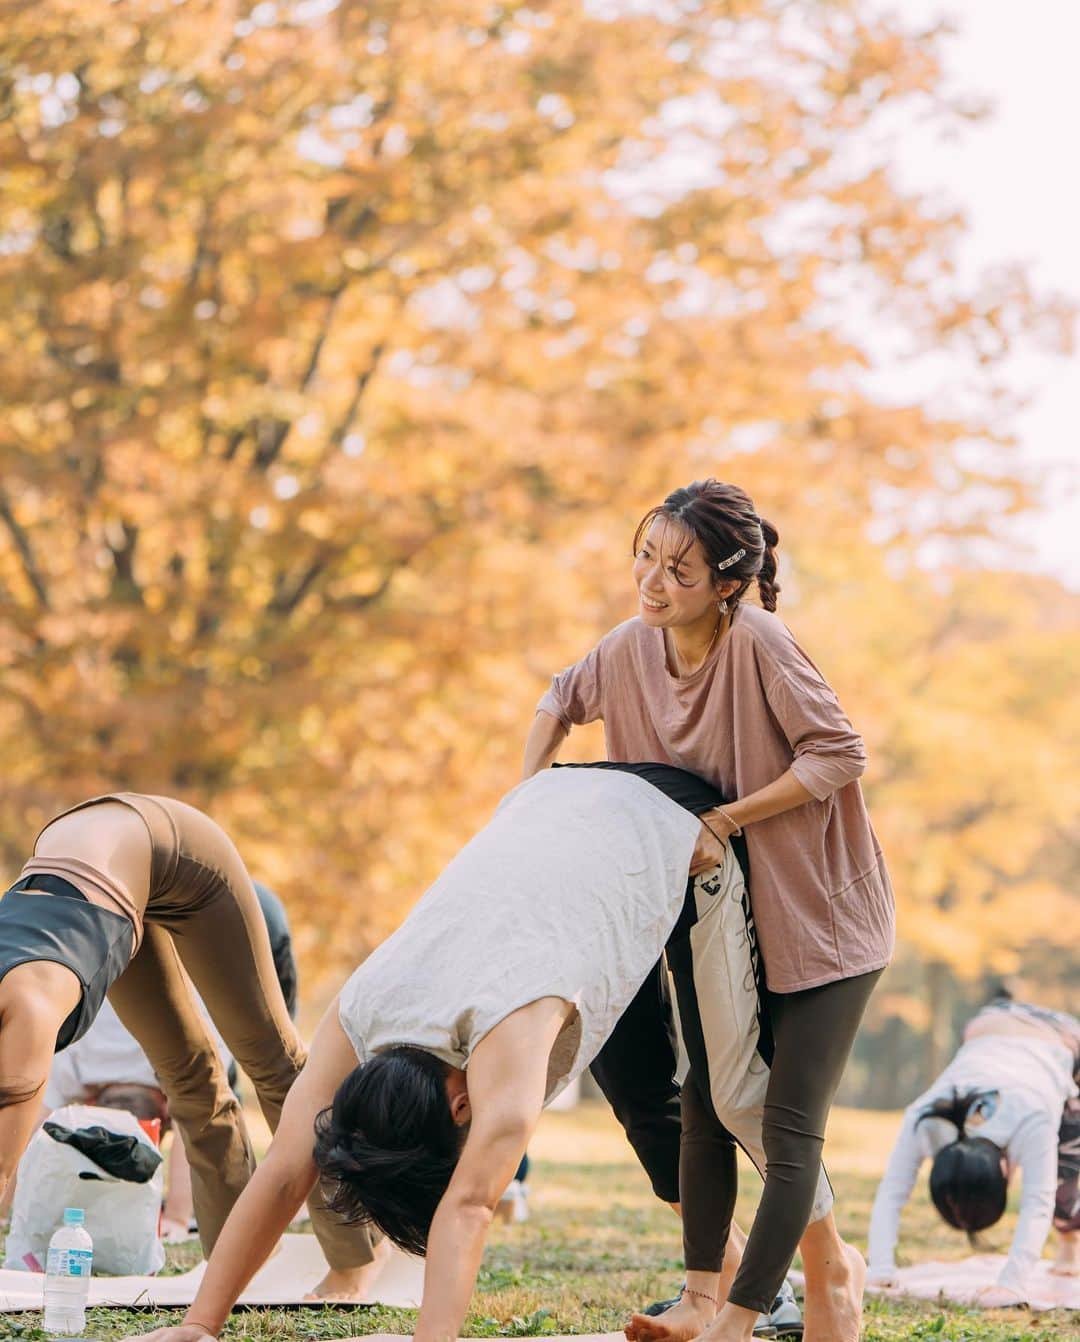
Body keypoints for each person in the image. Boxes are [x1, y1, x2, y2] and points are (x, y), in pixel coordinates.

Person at [123, 762, 832, 1342]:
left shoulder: (507, 1037)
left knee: (732, 1097)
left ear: (458, 1102)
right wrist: (198, 1326)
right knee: (647, 1107)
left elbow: (467, 1207)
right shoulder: (364, 1009)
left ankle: (828, 1276)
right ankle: (730, 1285)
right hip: (561, 812)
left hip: (676, 823)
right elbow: (283, 1171)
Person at [525, 480, 895, 1342]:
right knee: (703, 1099)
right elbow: (556, 703)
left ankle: (755, 1311)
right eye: (646, 556)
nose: (653, 583)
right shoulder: (628, 648)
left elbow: (839, 751)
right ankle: (701, 1298)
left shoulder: (759, 642)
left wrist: (725, 819)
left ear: (727, 584)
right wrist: (528, 799)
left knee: (780, 1121)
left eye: (680, 570)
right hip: (718, 918)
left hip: (820, 918)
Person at [0, 792, 382, 1298]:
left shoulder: (27, 1009)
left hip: (180, 851)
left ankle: (358, 1259)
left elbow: (4, 1167)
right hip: (105, 880)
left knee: (275, 1064)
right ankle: (242, 1257)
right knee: (185, 1076)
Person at [867, 995, 1080, 1306]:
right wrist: (880, 1269)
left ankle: (1069, 1242)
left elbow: (1039, 1201)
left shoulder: (1032, 1119)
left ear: (1006, 1171)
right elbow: (891, 1191)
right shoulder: (924, 1118)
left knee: (1071, 1148)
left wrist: (1013, 1283)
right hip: (991, 1021)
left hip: (1061, 1036)